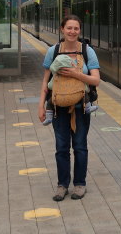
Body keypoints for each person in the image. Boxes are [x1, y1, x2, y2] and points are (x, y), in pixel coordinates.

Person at [38, 15, 100, 201]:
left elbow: (96, 80)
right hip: (58, 107)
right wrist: (41, 105)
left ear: (80, 31)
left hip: (80, 107)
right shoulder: (53, 51)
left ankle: (79, 184)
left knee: (80, 146)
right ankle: (62, 185)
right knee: (61, 147)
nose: (72, 31)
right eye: (69, 28)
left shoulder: (88, 52)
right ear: (62, 29)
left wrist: (76, 74)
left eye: (76, 28)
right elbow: (46, 81)